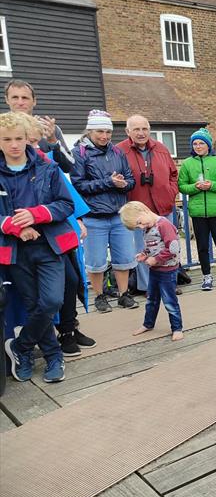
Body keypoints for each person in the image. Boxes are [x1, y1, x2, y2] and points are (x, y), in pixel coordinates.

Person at [0, 111, 77, 383]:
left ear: (27, 138)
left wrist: (37, 214)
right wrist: (14, 226)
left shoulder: (48, 168)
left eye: (19, 138)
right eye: (7, 139)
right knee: (34, 305)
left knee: (52, 301)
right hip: (15, 250)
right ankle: (53, 356)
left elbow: (66, 204)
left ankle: (21, 347)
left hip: (49, 246)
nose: (14, 144)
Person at [22, 116, 95, 356]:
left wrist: (79, 218)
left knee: (71, 280)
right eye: (29, 142)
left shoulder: (47, 162)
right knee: (39, 296)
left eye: (36, 142)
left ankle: (67, 330)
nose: (33, 146)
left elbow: (66, 191)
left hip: (56, 232)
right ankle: (35, 342)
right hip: (27, 241)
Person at [70, 110, 139, 313]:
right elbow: (79, 185)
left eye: (108, 132)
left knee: (125, 258)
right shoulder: (79, 153)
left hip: (118, 214)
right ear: (90, 130)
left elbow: (130, 179)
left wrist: (123, 184)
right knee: (96, 261)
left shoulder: (117, 152)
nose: (105, 136)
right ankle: (99, 296)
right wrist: (108, 182)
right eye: (100, 131)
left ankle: (123, 294)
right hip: (94, 216)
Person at [117, 115, 179, 293]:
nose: (141, 133)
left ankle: (169, 284)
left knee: (167, 245)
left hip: (161, 208)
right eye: (136, 129)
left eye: (144, 128)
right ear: (128, 131)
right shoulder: (119, 150)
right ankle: (148, 287)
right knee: (144, 249)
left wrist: (170, 192)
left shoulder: (161, 148)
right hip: (138, 211)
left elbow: (173, 174)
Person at [177, 127, 216, 291]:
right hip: (198, 212)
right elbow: (182, 186)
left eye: (201, 143)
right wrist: (195, 187)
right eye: (195, 143)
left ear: (208, 145)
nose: (198, 146)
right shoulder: (187, 164)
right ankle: (206, 276)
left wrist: (212, 185)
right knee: (202, 246)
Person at [119, 201, 184, 341]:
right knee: (151, 299)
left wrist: (155, 259)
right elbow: (152, 245)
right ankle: (148, 324)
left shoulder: (164, 225)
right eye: (138, 226)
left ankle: (177, 328)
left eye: (139, 222)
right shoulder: (148, 227)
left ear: (143, 210)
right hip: (155, 270)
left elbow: (172, 248)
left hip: (167, 270)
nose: (141, 227)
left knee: (169, 301)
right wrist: (145, 254)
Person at [4, 79, 75, 173]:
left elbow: (69, 167)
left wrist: (53, 142)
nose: (20, 102)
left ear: (34, 101)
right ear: (7, 100)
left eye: (25, 98)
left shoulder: (49, 129)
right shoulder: (2, 129)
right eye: (15, 97)